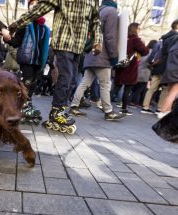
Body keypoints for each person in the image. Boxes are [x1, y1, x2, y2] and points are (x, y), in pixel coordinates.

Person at [9, 0, 101, 132]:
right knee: (66, 77)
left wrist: (98, 40)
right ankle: (57, 112)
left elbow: (96, 20)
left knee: (72, 80)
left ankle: (59, 111)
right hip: (64, 41)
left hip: (78, 46)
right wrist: (18, 25)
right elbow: (41, 8)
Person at [69, 0, 124, 121]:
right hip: (103, 55)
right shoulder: (112, 12)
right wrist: (114, 56)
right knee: (105, 84)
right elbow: (110, 36)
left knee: (85, 82)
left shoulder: (97, 11)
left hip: (91, 54)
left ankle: (74, 105)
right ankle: (108, 111)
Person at [7, 0, 50, 125]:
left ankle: (27, 104)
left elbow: (45, 47)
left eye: (37, 3)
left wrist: (47, 61)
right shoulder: (25, 24)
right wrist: (7, 38)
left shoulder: (44, 28)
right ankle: (22, 105)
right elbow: (16, 42)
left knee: (34, 84)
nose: (34, 5)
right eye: (32, 3)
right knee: (27, 82)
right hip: (27, 59)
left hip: (38, 61)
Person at [113, 23, 149, 115]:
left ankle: (105, 104)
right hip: (130, 66)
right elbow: (145, 51)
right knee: (127, 88)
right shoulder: (135, 40)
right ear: (136, 29)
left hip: (120, 64)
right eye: (139, 28)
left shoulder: (123, 37)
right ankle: (124, 109)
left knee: (117, 87)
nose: (140, 30)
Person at [157, 19, 178, 118]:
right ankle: (163, 112)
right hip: (176, 71)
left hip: (170, 70)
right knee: (173, 93)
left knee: (170, 92)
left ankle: (166, 111)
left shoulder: (172, 42)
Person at [130, 40, 157, 108]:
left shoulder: (144, 51)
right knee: (140, 89)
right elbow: (151, 63)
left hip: (138, 70)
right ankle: (133, 102)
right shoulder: (152, 53)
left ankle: (132, 101)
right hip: (145, 73)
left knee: (135, 88)